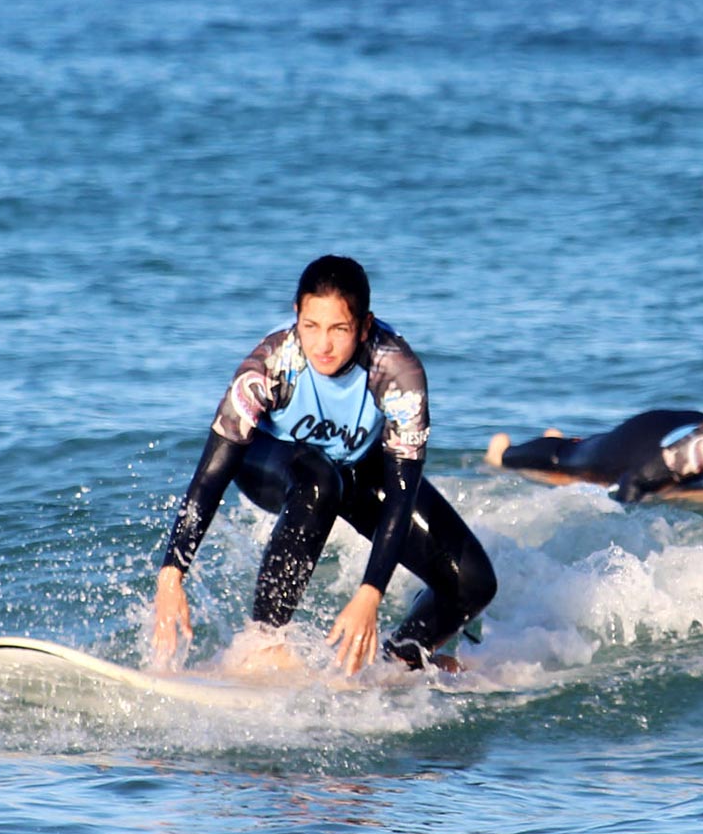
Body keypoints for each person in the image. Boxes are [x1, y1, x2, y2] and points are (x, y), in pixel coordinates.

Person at [151, 255, 497, 676]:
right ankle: (262, 645)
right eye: (311, 327)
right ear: (296, 315)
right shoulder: (271, 365)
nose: (323, 345)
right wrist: (172, 575)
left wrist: (370, 594)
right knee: (319, 481)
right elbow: (211, 474)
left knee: (472, 584)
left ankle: (397, 663)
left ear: (365, 326)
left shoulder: (397, 373)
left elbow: (401, 493)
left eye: (339, 329)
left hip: (357, 471)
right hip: (271, 466)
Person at [486, 337, 703, 502]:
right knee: (578, 461)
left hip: (697, 422)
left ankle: (565, 439)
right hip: (651, 442)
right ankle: (505, 453)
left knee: (583, 452)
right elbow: (634, 483)